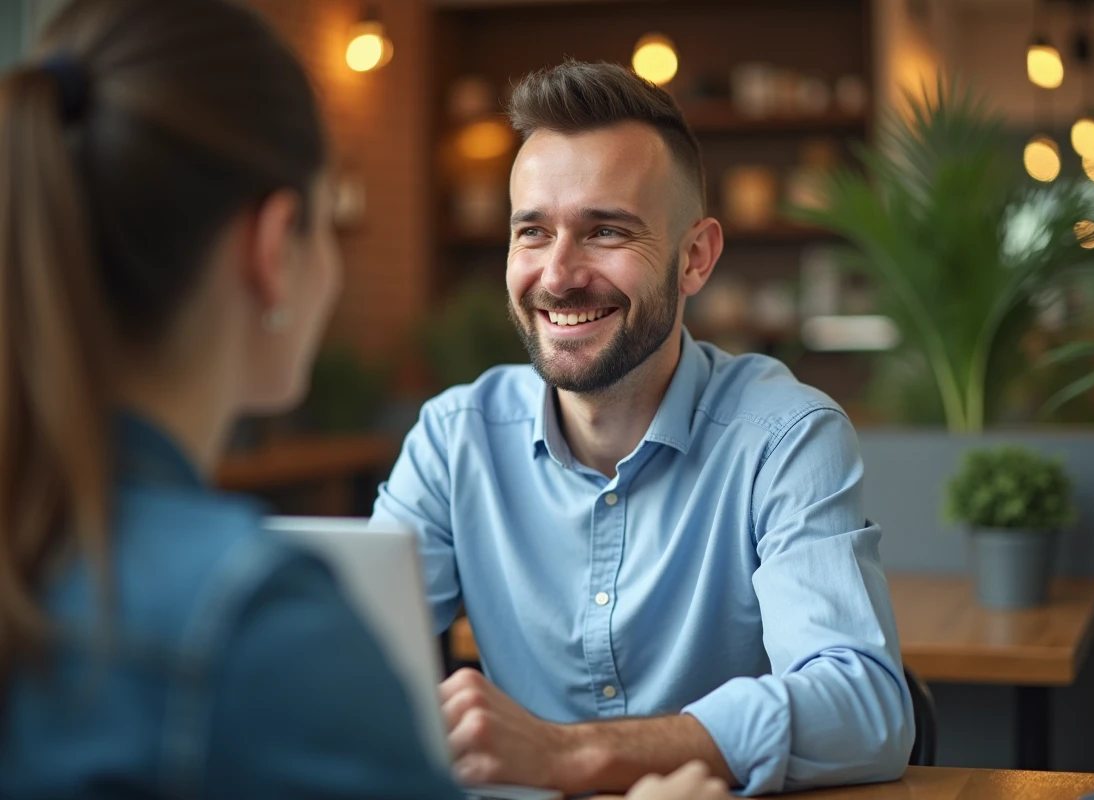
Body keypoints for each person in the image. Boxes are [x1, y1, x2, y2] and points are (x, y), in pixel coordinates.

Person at [0, 3, 728, 799]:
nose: (557, 273)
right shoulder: (258, 619)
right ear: (274, 248)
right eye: (333, 221)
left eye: (607, 231)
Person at [371, 60, 916, 796]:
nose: (557, 275)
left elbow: (865, 710)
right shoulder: (453, 440)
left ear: (695, 258)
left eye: (605, 231)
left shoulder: (785, 437)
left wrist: (572, 755)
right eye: (533, 232)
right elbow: (343, 665)